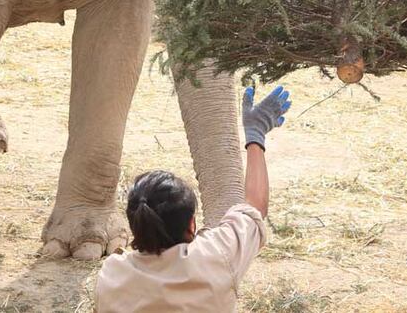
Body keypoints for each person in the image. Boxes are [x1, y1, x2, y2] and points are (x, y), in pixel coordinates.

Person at [95, 86, 292, 312]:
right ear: (191, 225)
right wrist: (255, 133)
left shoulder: (112, 275)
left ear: (135, 225)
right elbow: (255, 205)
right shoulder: (215, 256)